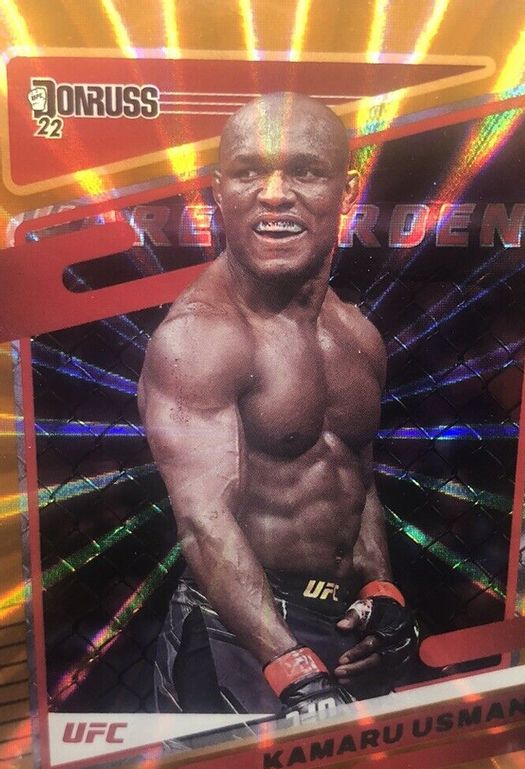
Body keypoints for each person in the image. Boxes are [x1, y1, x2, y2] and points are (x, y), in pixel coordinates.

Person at [138, 92, 417, 719]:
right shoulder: (200, 338)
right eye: (249, 172)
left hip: (338, 625)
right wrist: (288, 663)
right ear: (219, 192)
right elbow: (204, 522)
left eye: (305, 171)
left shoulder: (355, 333)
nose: (274, 195)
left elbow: (355, 476)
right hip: (231, 634)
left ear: (346, 190)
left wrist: (380, 589)